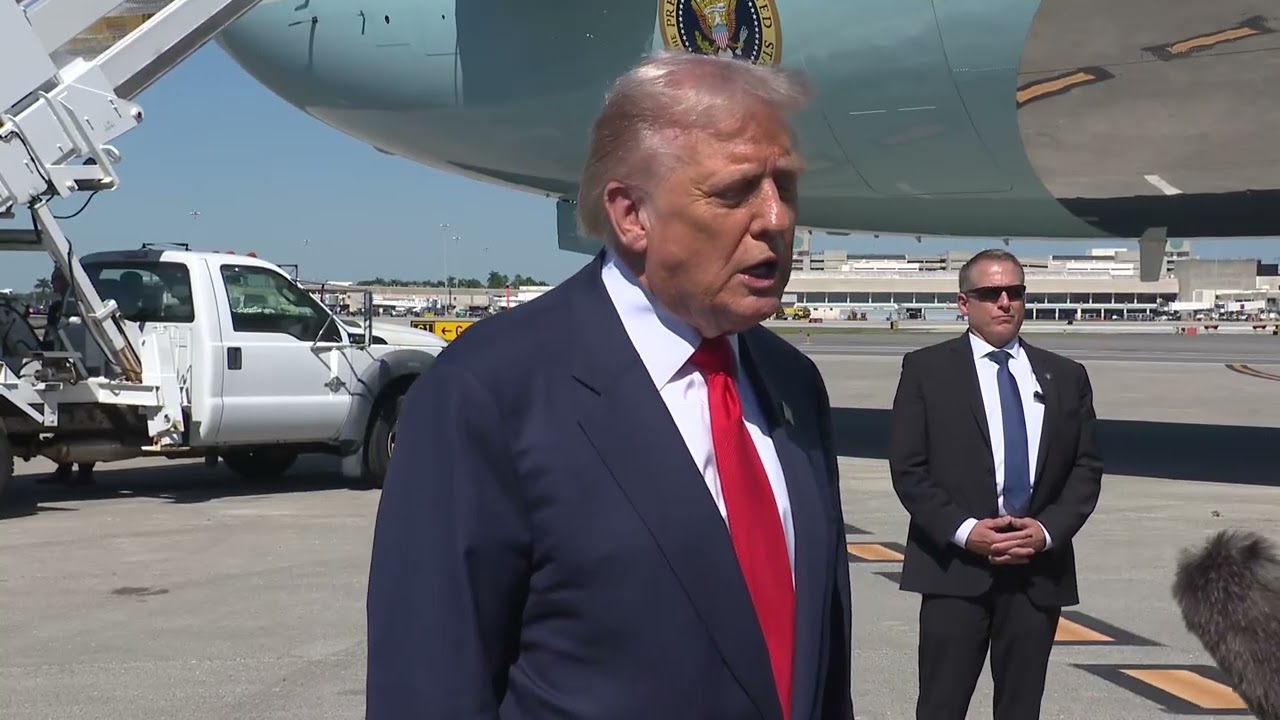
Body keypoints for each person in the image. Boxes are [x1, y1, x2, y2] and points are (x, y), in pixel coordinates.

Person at [366, 51, 853, 720]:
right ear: (631, 215)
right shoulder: (487, 392)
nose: (776, 218)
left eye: (786, 186)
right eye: (737, 191)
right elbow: (428, 688)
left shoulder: (793, 385)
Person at [887, 248, 1103, 720]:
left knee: (1021, 709)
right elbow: (909, 467)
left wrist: (1045, 532)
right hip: (954, 572)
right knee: (941, 707)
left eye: (1015, 292)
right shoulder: (927, 370)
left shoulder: (1066, 376)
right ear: (964, 303)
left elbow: (1085, 469)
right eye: (990, 293)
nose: (1005, 302)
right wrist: (966, 531)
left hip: (1037, 575)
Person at [38, 267, 94, 486]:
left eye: (56, 280)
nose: (53, 285)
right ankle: (65, 468)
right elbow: (49, 336)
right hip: (59, 364)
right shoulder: (55, 308)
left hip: (81, 365)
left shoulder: (82, 307)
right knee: (63, 422)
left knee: (82, 420)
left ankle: (84, 471)